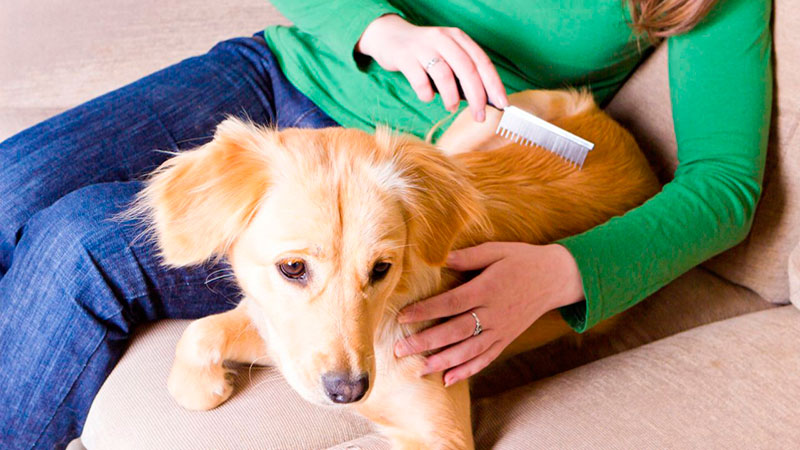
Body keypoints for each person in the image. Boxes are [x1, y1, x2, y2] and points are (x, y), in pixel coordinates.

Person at [0, 0, 772, 447]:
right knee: (9, 185)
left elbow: (726, 184)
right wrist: (380, 28)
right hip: (289, 73)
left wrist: (565, 272)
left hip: (407, 179)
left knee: (79, 250)